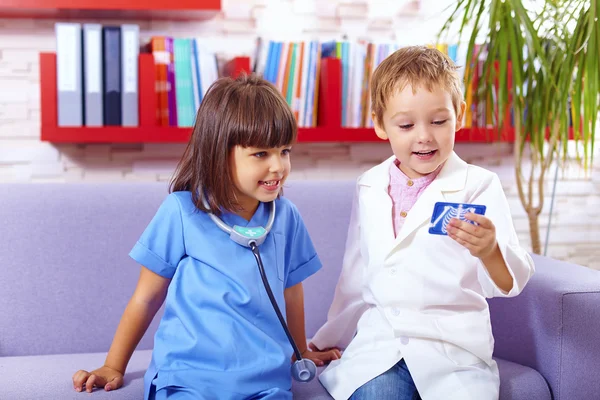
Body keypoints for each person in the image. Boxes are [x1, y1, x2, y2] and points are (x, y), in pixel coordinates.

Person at [72, 74, 341, 399]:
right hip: (188, 377)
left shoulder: (286, 218)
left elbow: (292, 294)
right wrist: (113, 365)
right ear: (219, 154)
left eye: (284, 151)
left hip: (264, 381)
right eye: (261, 154)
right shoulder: (182, 212)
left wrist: (301, 353)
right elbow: (146, 298)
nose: (278, 167)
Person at [309, 46, 535, 400]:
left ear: (459, 115)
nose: (424, 136)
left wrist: (489, 250)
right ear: (380, 125)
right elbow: (355, 275)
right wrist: (324, 340)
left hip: (453, 352)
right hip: (381, 348)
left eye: (439, 121)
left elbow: (510, 282)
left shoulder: (478, 186)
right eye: (406, 124)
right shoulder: (369, 186)